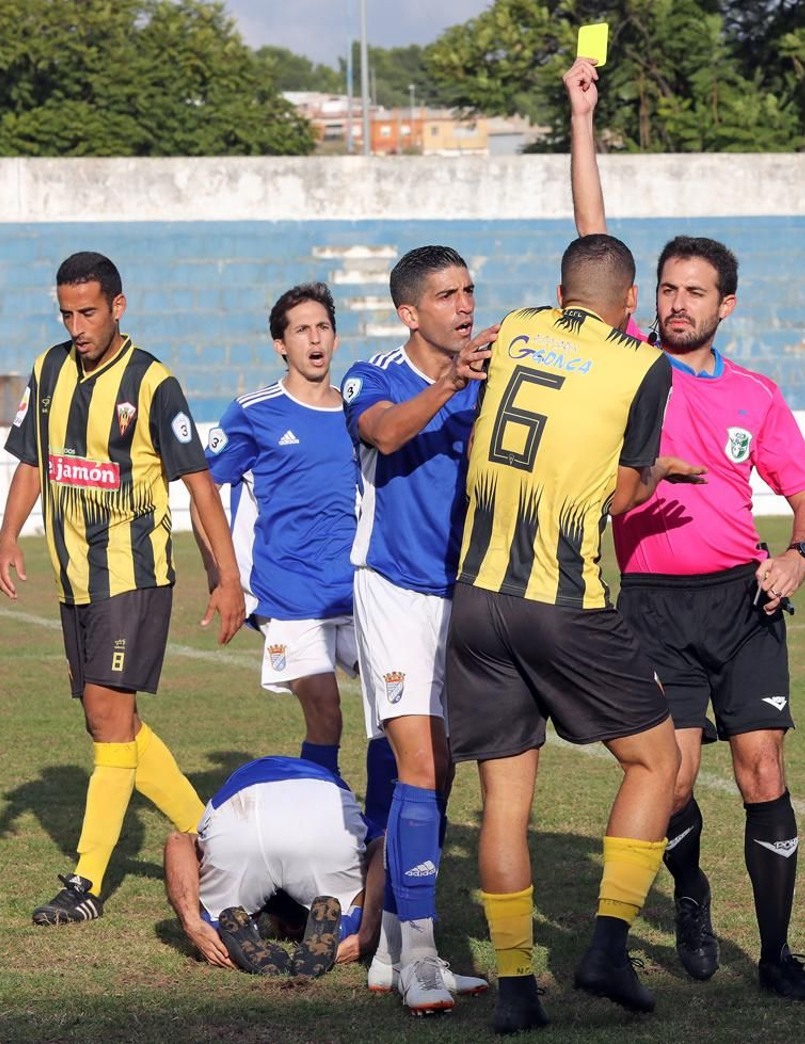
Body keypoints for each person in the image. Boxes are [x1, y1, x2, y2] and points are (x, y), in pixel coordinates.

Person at [565, 57, 805, 1001]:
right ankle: (689, 890)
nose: (677, 302)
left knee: (762, 769)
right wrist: (583, 121)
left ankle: (780, 955)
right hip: (651, 607)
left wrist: (798, 554)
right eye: (667, 289)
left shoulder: (757, 393)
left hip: (742, 604)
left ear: (725, 305)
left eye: (695, 291)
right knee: (671, 782)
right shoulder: (630, 361)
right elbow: (592, 240)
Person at [447, 233, 700, 1034]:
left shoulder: (520, 326)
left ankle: (517, 990)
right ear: (631, 304)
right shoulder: (643, 364)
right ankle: (608, 949)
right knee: (656, 762)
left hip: (474, 599)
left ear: (560, 294)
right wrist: (652, 476)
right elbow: (620, 495)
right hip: (561, 598)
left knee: (503, 803)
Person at [0, 251, 245, 925]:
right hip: (73, 576)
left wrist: (227, 576)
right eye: (66, 314)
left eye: (89, 312)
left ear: (118, 306)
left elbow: (200, 486)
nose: (77, 327)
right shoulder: (47, 371)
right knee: (112, 723)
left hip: (133, 576)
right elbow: (32, 461)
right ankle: (216, 835)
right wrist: (9, 534)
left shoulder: (153, 383)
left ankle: (86, 881)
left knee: (108, 721)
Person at [341, 247, 495, 1013]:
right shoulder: (370, 376)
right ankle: (425, 961)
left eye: (468, 291)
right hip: (392, 589)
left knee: (443, 771)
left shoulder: (488, 383)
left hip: (461, 594)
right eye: (446, 295)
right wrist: (450, 384)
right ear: (409, 312)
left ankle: (393, 951)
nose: (464, 306)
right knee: (420, 770)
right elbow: (387, 434)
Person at [203, 283, 358, 779]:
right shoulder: (254, 411)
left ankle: (381, 818)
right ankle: (322, 809)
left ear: (335, 337)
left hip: (360, 590)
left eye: (323, 327)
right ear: (280, 344)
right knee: (326, 710)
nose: (314, 338)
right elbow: (204, 492)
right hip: (290, 593)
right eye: (301, 330)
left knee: (395, 714)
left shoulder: (362, 411)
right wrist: (222, 578)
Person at [162, 755, 379, 977]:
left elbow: (177, 841)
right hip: (324, 808)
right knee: (362, 886)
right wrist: (368, 930)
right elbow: (383, 846)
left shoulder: (241, 778)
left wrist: (193, 923)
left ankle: (220, 929)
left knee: (218, 918)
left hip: (241, 813)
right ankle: (344, 926)